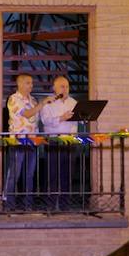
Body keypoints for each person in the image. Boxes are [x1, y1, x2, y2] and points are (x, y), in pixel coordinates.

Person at [4, 74, 53, 209]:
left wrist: (39, 139)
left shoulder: (33, 100)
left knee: (29, 175)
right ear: (19, 84)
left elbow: (36, 122)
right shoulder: (13, 99)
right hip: (18, 142)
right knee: (15, 174)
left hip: (32, 142)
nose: (31, 85)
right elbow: (27, 114)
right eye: (28, 83)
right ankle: (9, 205)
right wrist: (43, 103)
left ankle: (28, 206)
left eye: (31, 83)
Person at [39, 76, 78, 209]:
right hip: (54, 142)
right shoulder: (48, 102)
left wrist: (84, 117)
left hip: (70, 142)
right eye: (62, 86)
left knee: (68, 174)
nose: (65, 89)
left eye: (67, 86)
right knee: (52, 174)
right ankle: (49, 206)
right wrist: (62, 118)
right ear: (54, 88)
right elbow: (45, 121)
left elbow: (77, 121)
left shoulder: (73, 102)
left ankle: (65, 205)